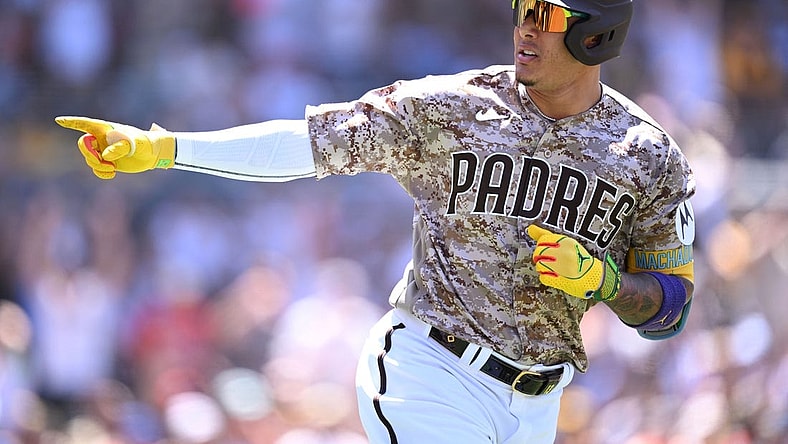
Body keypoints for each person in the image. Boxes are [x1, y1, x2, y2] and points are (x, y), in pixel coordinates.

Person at [56, 0, 696, 442]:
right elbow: (309, 145)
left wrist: (604, 283)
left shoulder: (646, 155)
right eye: (521, 7)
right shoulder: (454, 108)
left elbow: (672, 309)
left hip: (537, 405)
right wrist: (169, 149)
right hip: (429, 370)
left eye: (547, 14)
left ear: (598, 32)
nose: (525, 25)